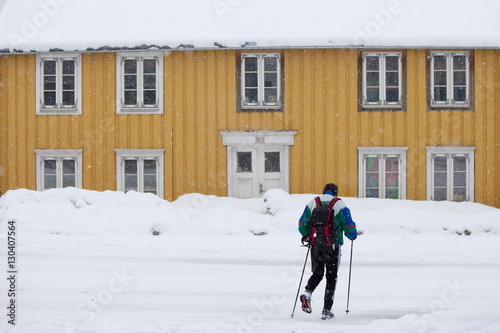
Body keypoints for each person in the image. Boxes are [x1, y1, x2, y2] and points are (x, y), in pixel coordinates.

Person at [298, 183, 357, 320]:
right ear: (335, 192)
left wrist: (307, 235)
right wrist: (352, 235)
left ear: (324, 191)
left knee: (317, 273)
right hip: (333, 246)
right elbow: (348, 224)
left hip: (316, 245)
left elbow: (302, 223)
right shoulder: (340, 204)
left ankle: (307, 293)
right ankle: (326, 310)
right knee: (331, 277)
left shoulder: (313, 202)